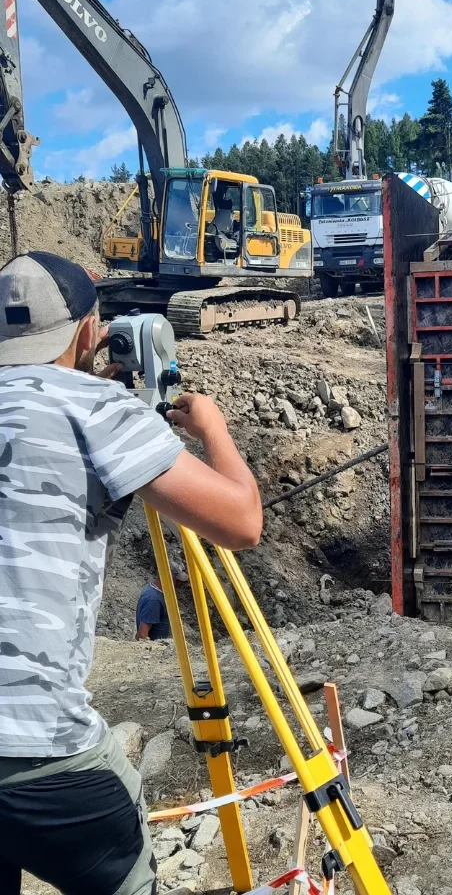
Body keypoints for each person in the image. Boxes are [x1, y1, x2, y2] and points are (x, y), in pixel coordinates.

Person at [0, 251, 262, 895]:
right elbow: (242, 523)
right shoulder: (92, 407)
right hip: (43, 754)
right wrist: (211, 428)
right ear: (88, 332)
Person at [135, 567, 188, 641]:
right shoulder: (154, 599)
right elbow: (142, 635)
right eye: (177, 581)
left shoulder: (151, 589)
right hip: (155, 648)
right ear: (167, 578)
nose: (180, 584)